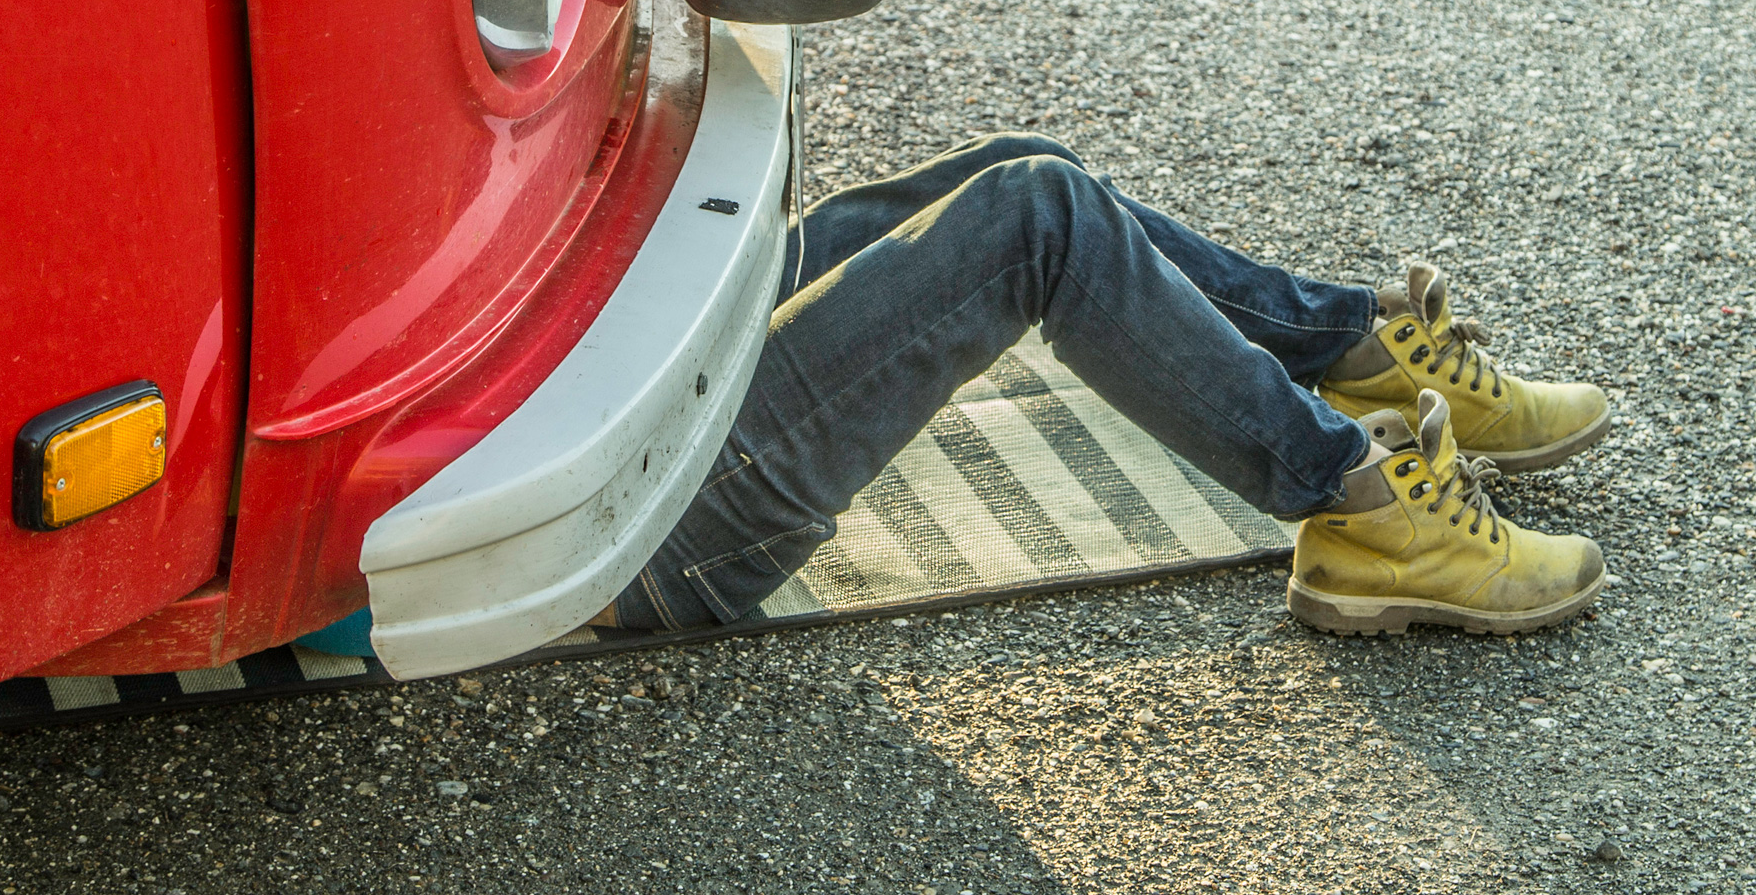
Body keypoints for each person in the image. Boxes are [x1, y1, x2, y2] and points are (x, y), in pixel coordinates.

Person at [609, 132, 1613, 637]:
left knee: (1027, 161)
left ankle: (1351, 351)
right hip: (642, 511)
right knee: (1037, 216)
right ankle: (1359, 498)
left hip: (639, 372)